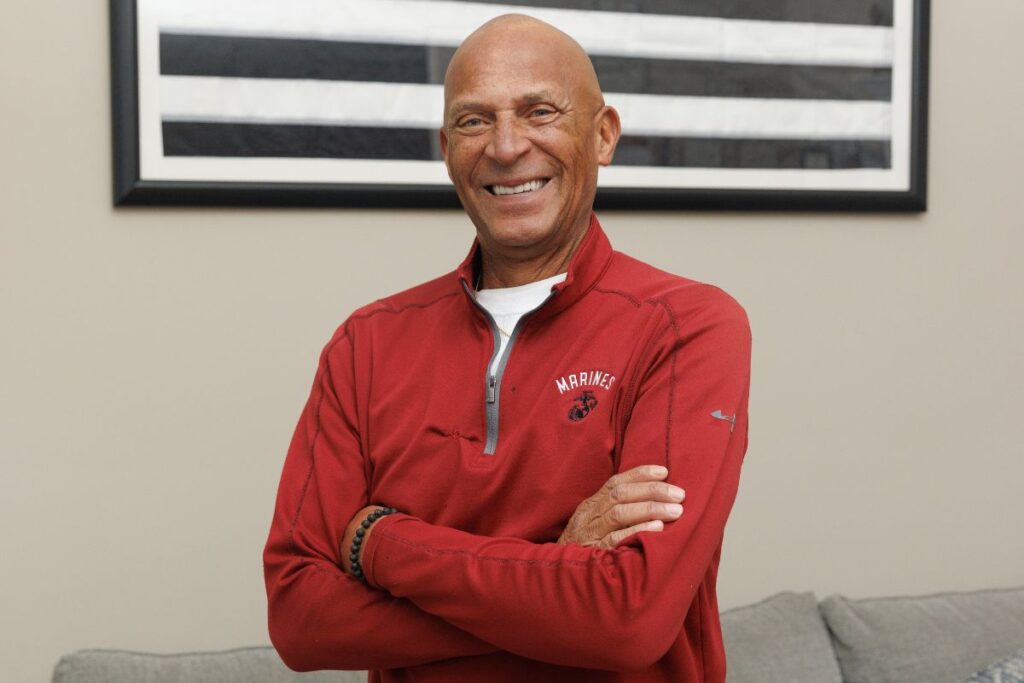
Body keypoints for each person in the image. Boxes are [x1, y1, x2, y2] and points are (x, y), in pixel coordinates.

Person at [263, 14, 751, 683]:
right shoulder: (365, 344)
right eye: (474, 121)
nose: (506, 145)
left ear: (602, 135)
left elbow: (626, 618)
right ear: (447, 149)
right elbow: (301, 620)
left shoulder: (687, 326)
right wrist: (557, 580)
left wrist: (378, 541)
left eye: (539, 111)